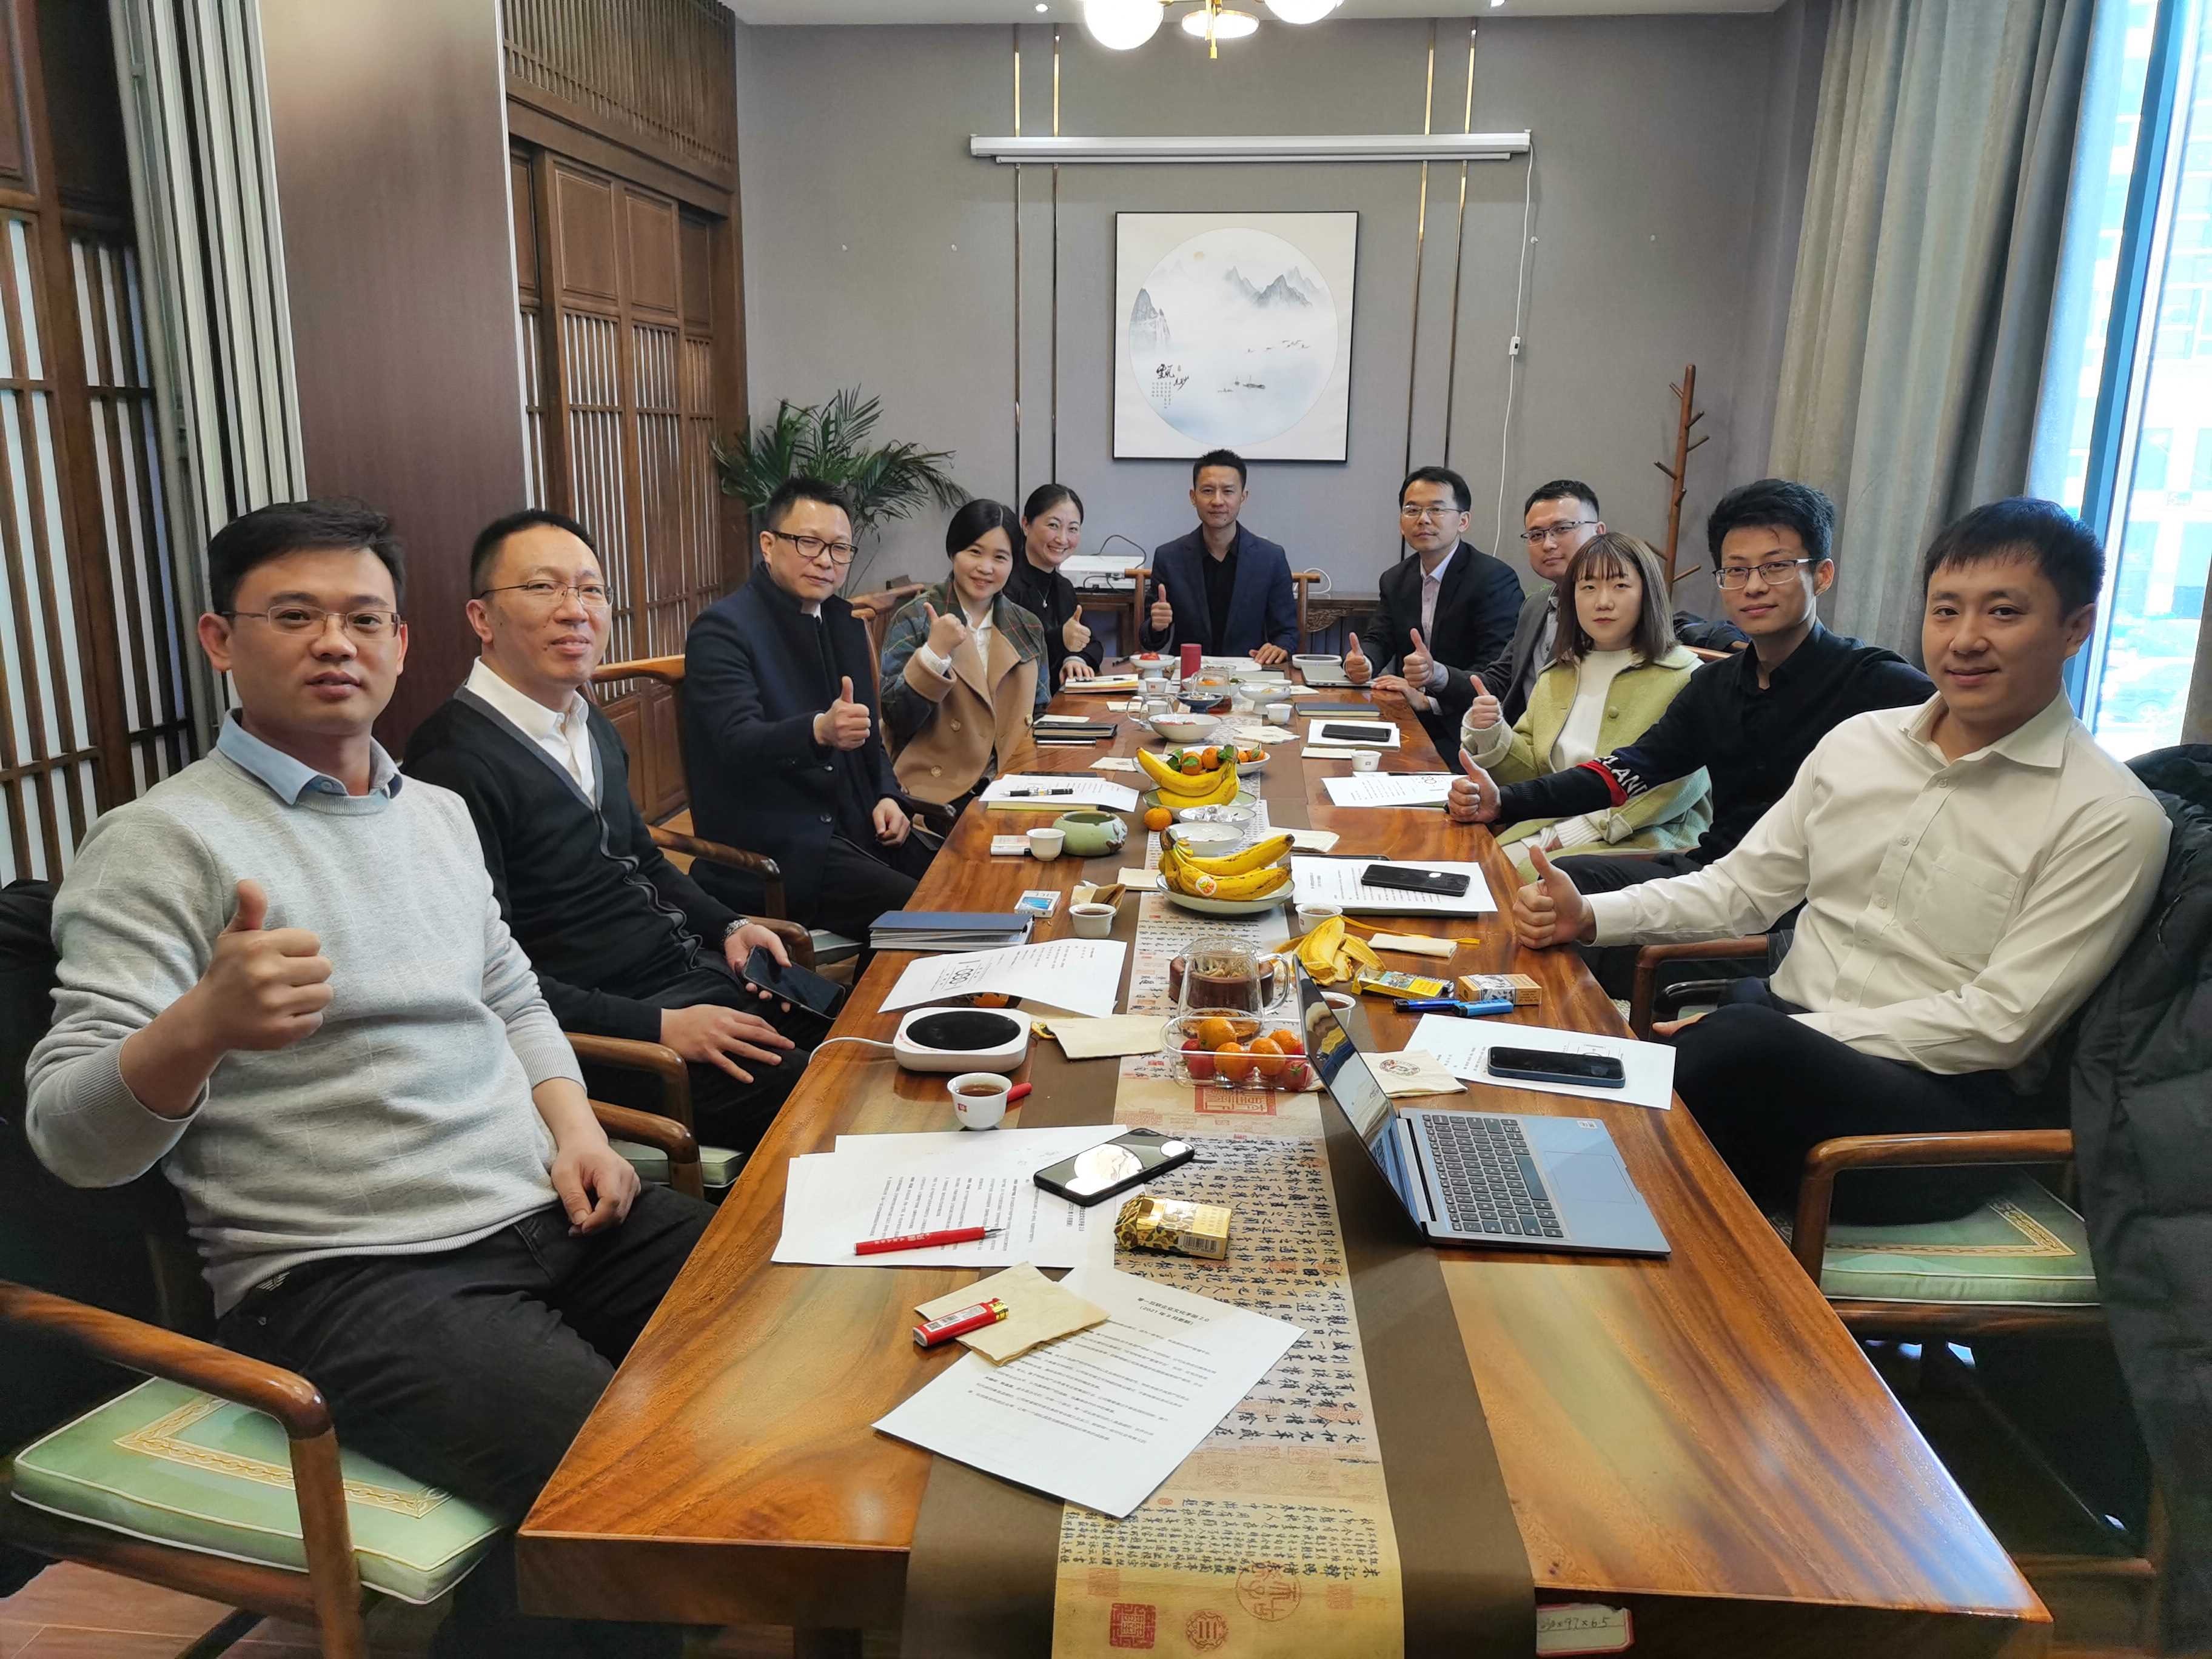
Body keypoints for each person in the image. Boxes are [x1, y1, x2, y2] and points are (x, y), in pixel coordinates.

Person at [25, 500, 700, 1657]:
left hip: (548, 1210)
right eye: (294, 616)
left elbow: (512, 995)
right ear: (220, 639)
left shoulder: (434, 812)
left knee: (769, 1333)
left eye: (364, 618)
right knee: (616, 1482)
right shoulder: (157, 842)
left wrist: (578, 1128)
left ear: (401, 642)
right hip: (349, 1274)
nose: (335, 642)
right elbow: (67, 1137)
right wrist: (200, 1027)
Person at [1507, 498, 2170, 1220]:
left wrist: (1786, 1035)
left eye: (2004, 613)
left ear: (2076, 628)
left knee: (1723, 1054)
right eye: (1946, 611)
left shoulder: (2109, 815)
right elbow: (1740, 889)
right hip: (1776, 1037)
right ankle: (1535, 1174)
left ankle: (1541, 1184)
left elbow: (1999, 1024)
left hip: (1932, 1107)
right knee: (1697, 1052)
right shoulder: (1860, 744)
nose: (1965, 640)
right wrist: (1587, 913)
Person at [406, 508, 814, 1154]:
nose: (575, 611)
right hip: (610, 1032)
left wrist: (729, 926)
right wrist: (661, 1027)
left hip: (692, 973)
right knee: (819, 1093)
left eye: (590, 589)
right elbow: (487, 974)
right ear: (482, 618)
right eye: (543, 587)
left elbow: (642, 861)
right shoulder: (449, 764)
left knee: (857, 1028)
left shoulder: (586, 720)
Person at [1449, 478, 1934, 897]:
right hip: (1717, 878)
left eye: (1776, 566)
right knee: (1565, 884)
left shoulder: (1871, 680)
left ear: (1821, 575)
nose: (1754, 586)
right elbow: (1627, 771)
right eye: (1737, 570)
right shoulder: (1715, 685)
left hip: (1804, 899)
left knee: (1547, 889)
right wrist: (1506, 801)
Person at [684, 477, 932, 942]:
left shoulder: (843, 621)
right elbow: (736, 742)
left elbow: (868, 737)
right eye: (808, 543)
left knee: (963, 884)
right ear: (768, 544)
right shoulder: (722, 630)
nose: (825, 560)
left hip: (858, 826)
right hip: (784, 846)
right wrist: (818, 731)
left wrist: (888, 796)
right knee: (929, 913)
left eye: (839, 549)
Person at [1458, 533, 1709, 880]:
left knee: (1514, 881)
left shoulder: (1687, 676)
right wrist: (1491, 733)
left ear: (1647, 593)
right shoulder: (1559, 673)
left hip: (1644, 840)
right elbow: (1533, 769)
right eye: (1588, 587)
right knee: (1460, 860)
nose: (1602, 602)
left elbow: (1677, 784)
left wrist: (1581, 829)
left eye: (1620, 586)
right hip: (1548, 826)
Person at [877, 499, 1049, 809]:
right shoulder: (915, 618)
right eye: (974, 552)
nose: (986, 567)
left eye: (1000, 557)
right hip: (936, 791)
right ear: (953, 551)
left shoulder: (1028, 625)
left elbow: (1040, 713)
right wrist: (933, 654)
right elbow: (896, 718)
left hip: (1012, 786)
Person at [1342, 465, 1524, 755]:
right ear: (1401, 523)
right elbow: (1379, 638)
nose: (1423, 519)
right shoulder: (1395, 579)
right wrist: (1364, 662)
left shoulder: (1493, 579)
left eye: (1436, 510)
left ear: (1463, 521)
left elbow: (1497, 674)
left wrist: (1431, 697)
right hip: (1408, 717)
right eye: (1412, 510)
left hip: (1467, 727)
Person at [1138, 448, 1298, 663]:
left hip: (1249, 673)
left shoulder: (1271, 559)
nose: (1217, 501)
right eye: (1208, 491)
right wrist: (1157, 626)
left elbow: (1287, 633)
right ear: (1193, 497)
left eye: (1228, 491)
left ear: (1243, 497)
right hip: (1189, 674)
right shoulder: (1169, 558)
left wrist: (1280, 648)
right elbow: (1150, 640)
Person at [1007, 483, 1106, 687]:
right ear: (1026, 525)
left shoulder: (1063, 588)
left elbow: (1093, 643)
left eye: (1073, 529)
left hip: (1057, 698)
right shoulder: (1006, 581)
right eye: (1053, 525)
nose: (1062, 539)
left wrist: (1075, 659)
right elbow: (1011, 654)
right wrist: (1060, 639)